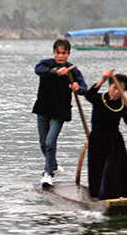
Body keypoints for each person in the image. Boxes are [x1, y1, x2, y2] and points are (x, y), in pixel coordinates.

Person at [32, 39, 87, 187]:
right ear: (54, 52)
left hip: (60, 112)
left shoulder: (72, 70)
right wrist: (56, 72)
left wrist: (78, 88)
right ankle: (54, 167)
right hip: (43, 109)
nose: (60, 56)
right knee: (43, 144)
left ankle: (47, 174)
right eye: (58, 52)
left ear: (68, 54)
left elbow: (84, 87)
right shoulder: (46, 64)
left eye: (63, 53)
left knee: (50, 142)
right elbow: (38, 71)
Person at [84, 70, 127, 200]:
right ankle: (99, 198)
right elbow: (88, 95)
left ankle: (114, 197)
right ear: (109, 85)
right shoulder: (99, 98)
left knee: (112, 171)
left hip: (114, 142)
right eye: (115, 88)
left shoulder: (123, 104)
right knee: (97, 171)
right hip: (97, 140)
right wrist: (102, 79)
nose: (116, 92)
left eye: (120, 90)